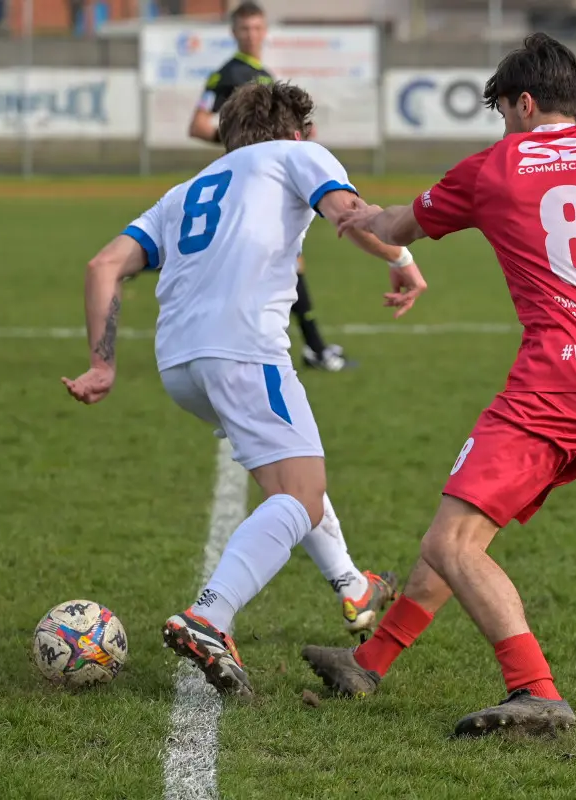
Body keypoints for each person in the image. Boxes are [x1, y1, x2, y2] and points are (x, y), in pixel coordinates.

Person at [300, 33, 576, 737]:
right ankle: (370, 662)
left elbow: (398, 225)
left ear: (523, 101)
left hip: (552, 386)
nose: (503, 124)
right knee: (454, 530)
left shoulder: (494, 165)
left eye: (504, 111)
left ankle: (536, 690)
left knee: (455, 543)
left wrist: (354, 214)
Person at [62, 81, 428, 696]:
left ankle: (352, 586)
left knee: (289, 477)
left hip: (180, 365)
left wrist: (102, 366)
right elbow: (347, 213)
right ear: (294, 130)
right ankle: (211, 615)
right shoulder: (295, 155)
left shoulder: (182, 193)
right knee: (302, 495)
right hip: (245, 352)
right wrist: (402, 259)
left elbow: (103, 267)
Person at [189, 1, 354, 372]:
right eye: (244, 29)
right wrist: (246, 141)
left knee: (289, 259)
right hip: (253, 180)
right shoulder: (228, 74)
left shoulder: (262, 73)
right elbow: (197, 125)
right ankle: (307, 347)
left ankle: (311, 347)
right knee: (278, 259)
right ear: (234, 32)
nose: (252, 35)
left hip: (270, 177)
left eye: (257, 28)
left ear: (265, 31)